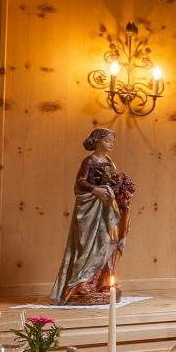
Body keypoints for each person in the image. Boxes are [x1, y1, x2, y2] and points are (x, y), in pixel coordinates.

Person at [50, 127, 133, 304]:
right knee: (90, 244)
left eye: (112, 141)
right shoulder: (89, 160)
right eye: (107, 140)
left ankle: (103, 281)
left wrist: (121, 193)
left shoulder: (109, 162)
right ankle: (82, 282)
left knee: (107, 242)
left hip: (106, 209)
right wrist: (95, 190)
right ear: (97, 141)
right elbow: (80, 181)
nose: (111, 144)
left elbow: (114, 182)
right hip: (91, 208)